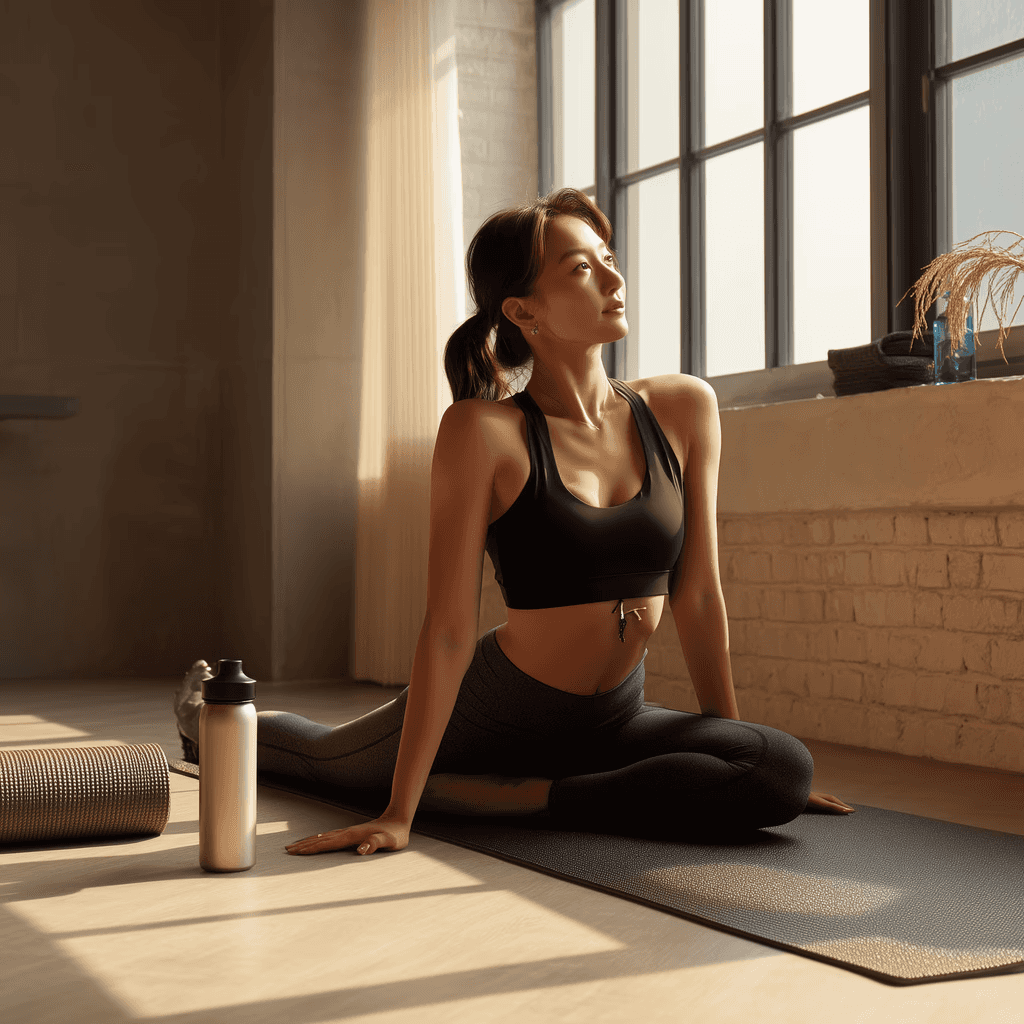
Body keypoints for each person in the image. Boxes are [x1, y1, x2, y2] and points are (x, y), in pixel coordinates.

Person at [175, 187, 854, 857]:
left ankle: (504, 796)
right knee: (323, 758)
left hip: (613, 717)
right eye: (583, 268)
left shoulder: (683, 409)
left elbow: (698, 595)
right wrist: (400, 813)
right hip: (496, 712)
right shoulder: (483, 431)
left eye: (609, 259)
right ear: (524, 310)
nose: (614, 280)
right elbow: (448, 628)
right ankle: (206, 716)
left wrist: (737, 754)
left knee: (783, 767)